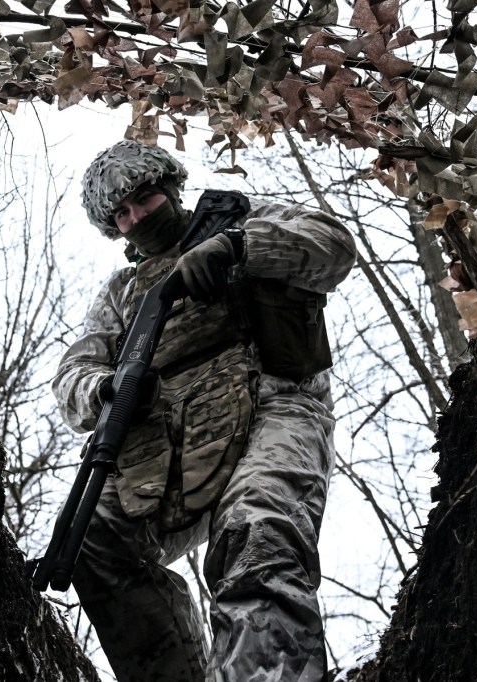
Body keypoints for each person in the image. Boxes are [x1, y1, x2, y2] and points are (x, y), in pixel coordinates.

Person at [51, 139, 357, 682]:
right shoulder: (122, 292)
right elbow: (75, 372)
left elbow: (333, 246)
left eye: (144, 199)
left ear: (171, 188)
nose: (137, 218)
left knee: (257, 531)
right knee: (90, 537)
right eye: (121, 214)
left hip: (272, 409)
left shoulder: (240, 219)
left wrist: (240, 247)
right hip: (165, 447)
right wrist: (108, 390)